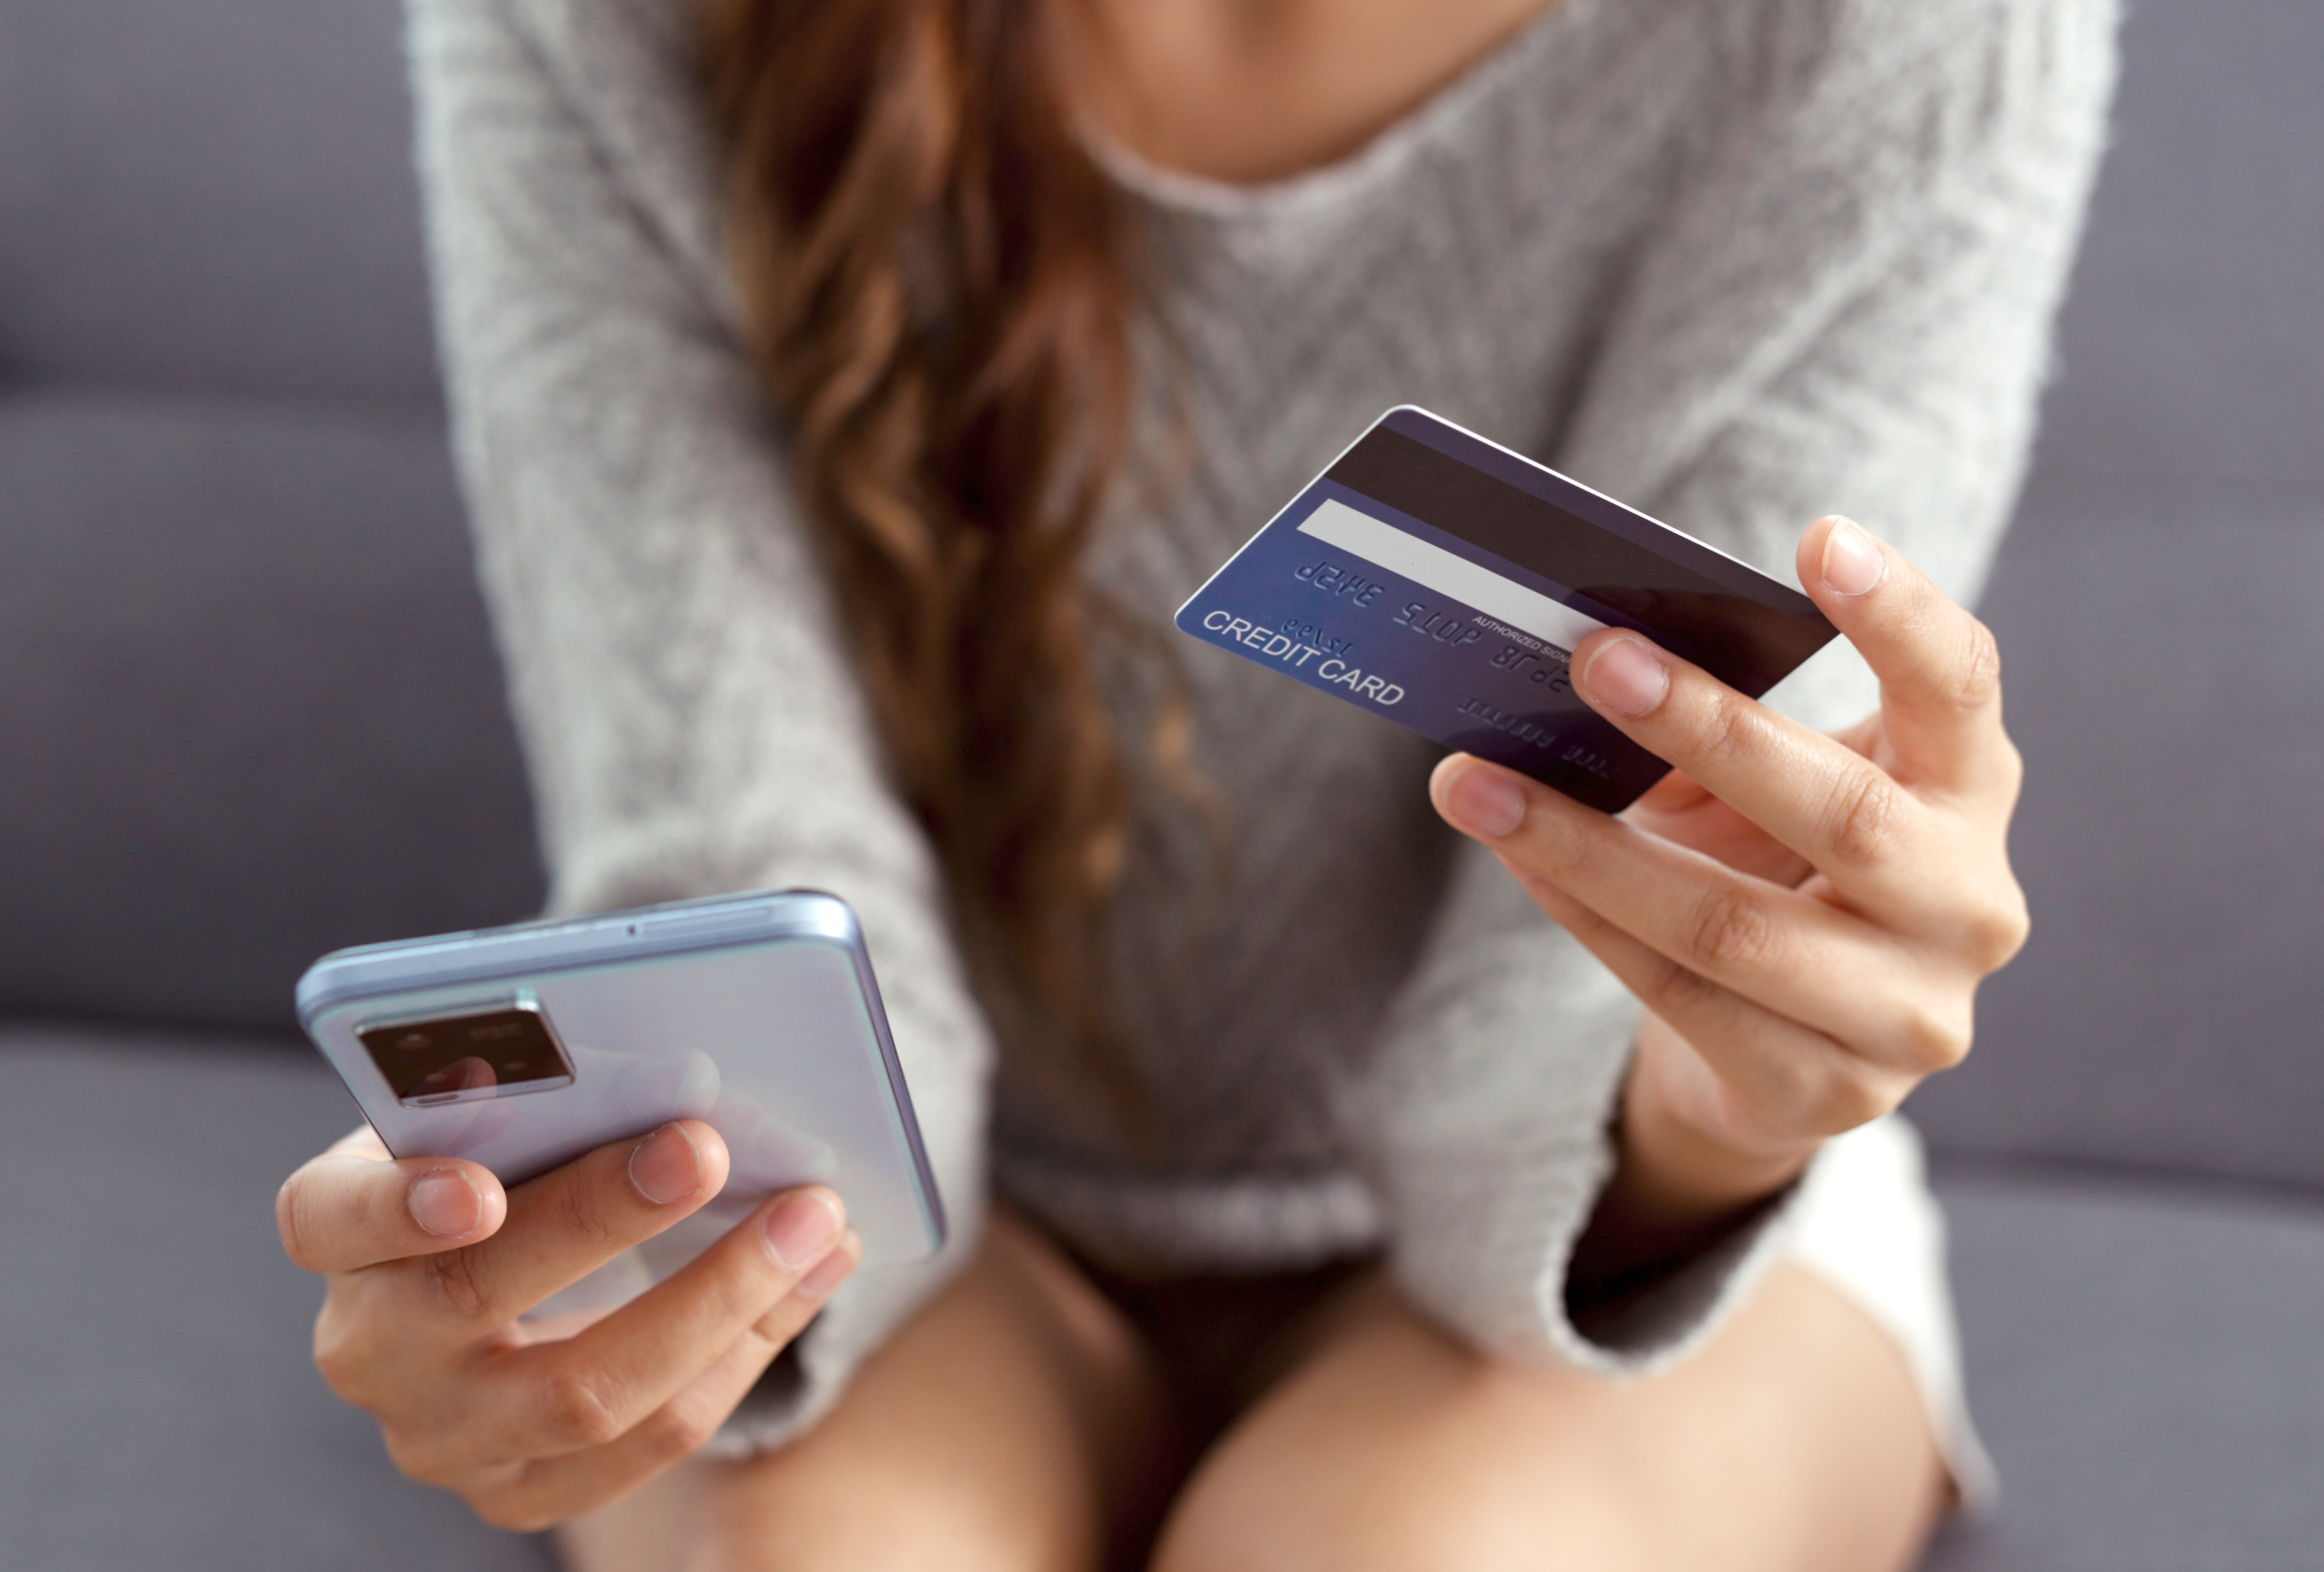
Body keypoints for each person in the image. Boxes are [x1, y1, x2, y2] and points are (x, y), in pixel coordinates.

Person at [273, 0, 2116, 1565]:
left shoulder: (1904, 35)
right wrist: (619, 1240)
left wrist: (1733, 1082)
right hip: (928, 1200)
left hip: (1619, 1197)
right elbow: (736, 860)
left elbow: (1609, 972)